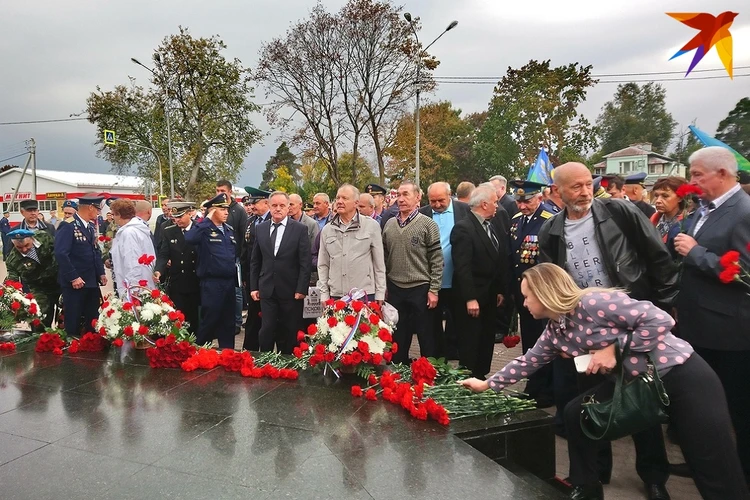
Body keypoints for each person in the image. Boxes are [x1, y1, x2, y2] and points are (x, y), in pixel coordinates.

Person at [460, 263, 749, 500]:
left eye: (526, 296)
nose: (523, 303)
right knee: (576, 413)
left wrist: (614, 349)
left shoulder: (593, 302)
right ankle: (587, 487)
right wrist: (486, 385)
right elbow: (528, 361)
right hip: (638, 384)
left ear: (545, 292)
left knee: (711, 466)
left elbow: (661, 321)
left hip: (681, 376)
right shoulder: (555, 331)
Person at [539, 162, 678, 500]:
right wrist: (560, 331)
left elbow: (658, 258)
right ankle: (592, 477)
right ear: (558, 191)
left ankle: (654, 476)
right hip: (587, 329)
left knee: (638, 397)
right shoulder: (551, 232)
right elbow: (553, 288)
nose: (585, 192)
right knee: (588, 400)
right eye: (576, 187)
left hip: (630, 320)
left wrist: (663, 307)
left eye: (589, 184)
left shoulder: (619, 212)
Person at [673, 146, 750, 485]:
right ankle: (705, 463)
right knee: (704, 408)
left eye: (697, 175)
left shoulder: (744, 211)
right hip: (696, 325)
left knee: (737, 409)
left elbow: (744, 272)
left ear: (722, 173)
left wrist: (696, 253)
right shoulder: (700, 210)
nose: (693, 182)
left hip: (728, 333)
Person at [450, 184, 508, 378]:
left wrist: (499, 290)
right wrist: (470, 298)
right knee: (471, 341)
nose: (497, 206)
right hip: (472, 298)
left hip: (489, 295)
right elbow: (462, 267)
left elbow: (496, 260)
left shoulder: (491, 225)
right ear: (484, 204)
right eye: (494, 202)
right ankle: (468, 379)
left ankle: (481, 376)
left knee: (485, 339)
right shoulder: (463, 229)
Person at [382, 181, 443, 363]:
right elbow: (384, 258)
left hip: (420, 288)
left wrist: (434, 289)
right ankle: (398, 370)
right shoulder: (389, 225)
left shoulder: (428, 225)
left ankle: (428, 371)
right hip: (395, 288)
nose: (401, 199)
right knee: (398, 335)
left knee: (426, 335)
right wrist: (384, 285)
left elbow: (437, 259)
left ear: (418, 197)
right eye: (398, 195)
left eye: (406, 194)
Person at [508, 179, 555, 406]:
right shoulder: (517, 221)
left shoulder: (549, 220)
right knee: (529, 342)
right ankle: (533, 385)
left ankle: (545, 389)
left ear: (539, 197)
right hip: (524, 294)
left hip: (542, 294)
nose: (522, 206)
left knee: (543, 341)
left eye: (526, 201)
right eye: (519, 201)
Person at [249, 191, 311, 353]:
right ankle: (265, 360)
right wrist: (254, 287)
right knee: (267, 328)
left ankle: (287, 364)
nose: (278, 209)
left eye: (282, 205)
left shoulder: (299, 229)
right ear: (269, 206)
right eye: (274, 205)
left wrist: (301, 289)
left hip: (290, 290)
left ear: (288, 207)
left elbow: (305, 262)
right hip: (267, 288)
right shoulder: (260, 229)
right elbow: (256, 260)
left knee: (289, 330)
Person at [420, 181, 472, 359]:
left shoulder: (464, 211)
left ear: (450, 195)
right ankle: (436, 360)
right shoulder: (422, 214)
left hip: (457, 278)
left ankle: (457, 357)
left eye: (441, 200)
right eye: (432, 201)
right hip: (431, 281)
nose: (436, 205)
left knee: (458, 321)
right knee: (432, 325)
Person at [185, 193, 237, 348]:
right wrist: (206, 219)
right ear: (212, 211)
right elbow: (189, 238)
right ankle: (201, 351)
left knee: (228, 322)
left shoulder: (228, 230)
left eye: (227, 209)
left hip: (229, 282)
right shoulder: (204, 229)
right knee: (210, 319)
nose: (226, 212)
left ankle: (227, 353)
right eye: (222, 209)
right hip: (212, 283)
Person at [317, 184, 385, 302]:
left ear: (356, 203)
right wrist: (324, 294)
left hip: (364, 295)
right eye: (338, 198)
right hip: (336, 295)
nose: (339, 201)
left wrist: (380, 294)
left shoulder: (371, 226)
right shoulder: (327, 230)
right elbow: (323, 264)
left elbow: (379, 264)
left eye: (345, 198)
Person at [54, 194, 107, 339]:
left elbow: (95, 251)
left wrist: (101, 273)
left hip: (90, 281)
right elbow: (61, 253)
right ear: (90, 207)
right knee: (73, 319)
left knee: (92, 318)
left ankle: (91, 347)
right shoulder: (68, 225)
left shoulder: (89, 226)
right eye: (97, 209)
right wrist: (73, 277)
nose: (98, 213)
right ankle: (72, 353)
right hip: (75, 283)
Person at [154, 201, 200, 336]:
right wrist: (159, 270)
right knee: (178, 317)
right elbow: (163, 254)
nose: (177, 220)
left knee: (194, 318)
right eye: (175, 217)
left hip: (195, 281)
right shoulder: (169, 232)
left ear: (189, 214)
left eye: (180, 217)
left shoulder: (199, 229)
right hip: (177, 280)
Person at [5, 229, 60, 328]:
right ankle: (39, 338)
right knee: (39, 316)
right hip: (39, 288)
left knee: (66, 314)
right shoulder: (12, 260)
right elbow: (12, 281)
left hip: (60, 281)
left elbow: (62, 250)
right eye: (19, 247)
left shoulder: (45, 238)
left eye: (27, 245)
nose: (24, 250)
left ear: (32, 239)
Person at [215, 180, 249, 336]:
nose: (220, 192)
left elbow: (243, 236)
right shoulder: (214, 209)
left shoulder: (238, 211)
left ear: (230, 192)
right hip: (218, 259)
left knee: (236, 291)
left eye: (223, 190)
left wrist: (240, 257)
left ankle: (236, 321)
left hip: (234, 258)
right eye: (217, 190)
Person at [109, 199, 156, 298]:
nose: (113, 218)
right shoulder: (135, 229)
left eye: (113, 214)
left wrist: (133, 288)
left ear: (119, 215)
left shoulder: (129, 232)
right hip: (139, 283)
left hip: (135, 288)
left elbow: (132, 261)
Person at [649, 176, 689, 258]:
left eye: (665, 196)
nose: (658, 201)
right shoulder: (654, 219)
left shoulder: (686, 224)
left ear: (680, 198)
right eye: (656, 195)